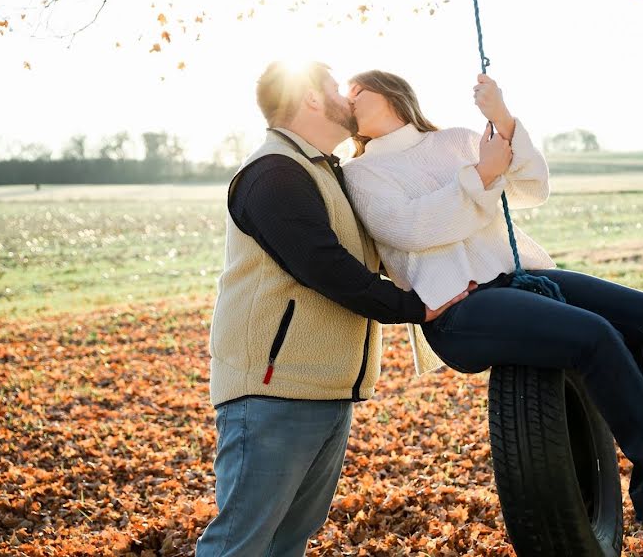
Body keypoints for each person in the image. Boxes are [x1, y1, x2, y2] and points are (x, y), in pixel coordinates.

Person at [341, 70, 643, 557]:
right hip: (458, 307)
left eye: (357, 89)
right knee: (592, 336)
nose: (348, 99)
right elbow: (412, 228)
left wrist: (503, 122)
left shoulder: (458, 142)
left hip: (520, 277)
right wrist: (483, 176)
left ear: (393, 93)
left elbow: (532, 188)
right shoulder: (361, 173)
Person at [196, 62, 470, 557]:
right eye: (336, 88)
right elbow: (324, 267)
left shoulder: (324, 172)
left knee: (286, 544)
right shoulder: (274, 172)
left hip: (324, 389)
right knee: (241, 543)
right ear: (311, 100)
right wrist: (416, 307)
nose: (348, 98)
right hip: (272, 392)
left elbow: (384, 247)